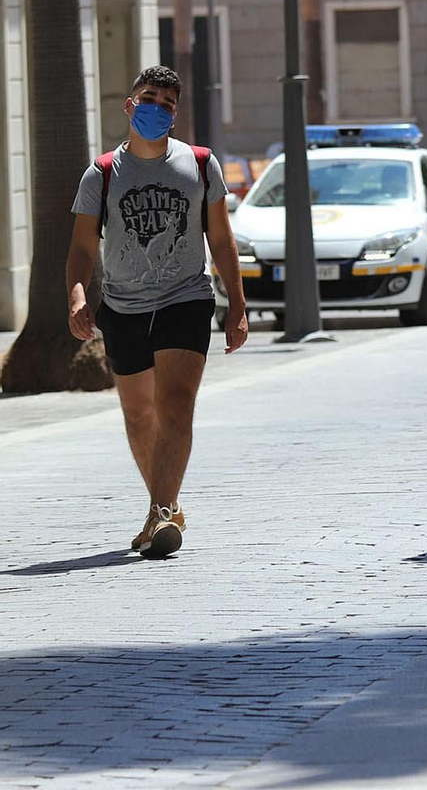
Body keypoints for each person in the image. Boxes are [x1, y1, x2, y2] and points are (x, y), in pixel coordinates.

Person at [67, 65, 249, 559]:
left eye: (167, 103)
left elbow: (221, 237)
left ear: (175, 114)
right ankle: (161, 508)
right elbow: (83, 247)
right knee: (138, 412)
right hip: (123, 307)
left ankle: (163, 512)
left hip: (186, 297)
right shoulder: (102, 173)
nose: (157, 108)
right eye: (149, 98)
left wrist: (236, 302)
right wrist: (79, 296)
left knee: (175, 403)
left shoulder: (200, 163)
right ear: (130, 105)